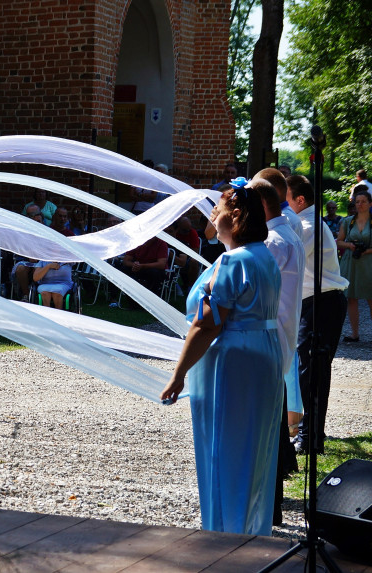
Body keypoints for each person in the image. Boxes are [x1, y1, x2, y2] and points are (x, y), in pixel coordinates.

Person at [160, 184, 283, 535]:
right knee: (252, 447)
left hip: (234, 360)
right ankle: (249, 527)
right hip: (264, 351)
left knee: (226, 447)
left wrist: (179, 373)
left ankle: (226, 534)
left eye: (219, 209)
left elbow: (207, 324)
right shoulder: (263, 255)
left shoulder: (233, 261)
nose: (213, 214)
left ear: (238, 216)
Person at [253, 178, 306, 525]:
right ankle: (270, 507)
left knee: (264, 436)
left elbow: (249, 291)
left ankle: (267, 509)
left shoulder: (273, 242)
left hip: (270, 341)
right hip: (281, 339)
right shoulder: (288, 233)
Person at [286, 175, 349, 455]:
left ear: (300, 200)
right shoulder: (305, 224)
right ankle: (311, 432)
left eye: (286, 199)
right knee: (309, 370)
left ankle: (311, 438)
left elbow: (289, 258)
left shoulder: (309, 226)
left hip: (323, 303)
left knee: (312, 371)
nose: (282, 205)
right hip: (317, 303)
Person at [337, 187, 372, 343]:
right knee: (351, 297)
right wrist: (350, 246)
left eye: (364, 201)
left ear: (370, 204)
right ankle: (354, 333)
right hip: (352, 262)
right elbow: (338, 241)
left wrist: (367, 250)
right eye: (357, 202)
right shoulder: (347, 221)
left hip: (369, 262)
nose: (360, 204)